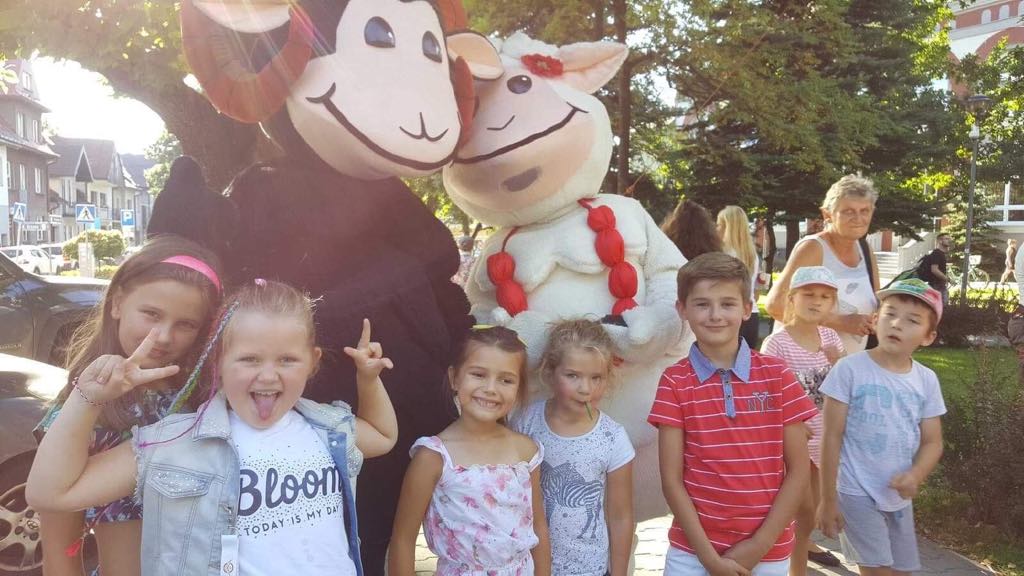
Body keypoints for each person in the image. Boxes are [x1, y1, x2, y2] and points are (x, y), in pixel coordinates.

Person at [27, 280, 399, 576]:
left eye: (287, 359)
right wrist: (87, 399)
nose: (268, 375)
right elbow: (51, 493)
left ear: (312, 362)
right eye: (249, 359)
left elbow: (383, 436)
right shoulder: (174, 444)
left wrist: (368, 381)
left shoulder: (327, 428)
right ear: (219, 361)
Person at [34, 235, 223, 576]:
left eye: (185, 324)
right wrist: (89, 399)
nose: (163, 336)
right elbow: (60, 552)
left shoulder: (208, 403)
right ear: (118, 303)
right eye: (151, 314)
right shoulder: (86, 413)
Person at [649, 252, 818, 576]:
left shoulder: (777, 375)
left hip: (767, 553)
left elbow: (798, 471)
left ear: (746, 308)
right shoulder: (674, 381)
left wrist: (759, 545)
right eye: (702, 304)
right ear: (682, 309)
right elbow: (671, 480)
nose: (715, 315)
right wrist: (709, 558)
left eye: (727, 304)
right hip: (692, 553)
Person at [390, 326, 551, 576]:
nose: (491, 388)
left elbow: (538, 527)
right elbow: (403, 539)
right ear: (454, 378)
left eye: (506, 380)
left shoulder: (526, 451)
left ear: (519, 389)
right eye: (478, 374)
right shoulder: (433, 457)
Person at [818, 279, 945, 576]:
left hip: (897, 496)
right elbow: (831, 437)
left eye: (912, 320)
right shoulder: (849, 370)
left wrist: (916, 475)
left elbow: (933, 442)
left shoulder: (926, 380)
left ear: (928, 336)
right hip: (855, 491)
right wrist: (827, 499)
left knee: (902, 572)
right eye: (890, 314)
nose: (897, 324)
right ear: (875, 320)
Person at [513, 319, 635, 576]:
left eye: (596, 378)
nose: (585, 389)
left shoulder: (613, 438)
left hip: (590, 569)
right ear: (550, 372)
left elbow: (621, 516)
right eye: (572, 376)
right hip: (528, 567)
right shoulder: (525, 423)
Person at [759, 266, 846, 575]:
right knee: (804, 510)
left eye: (825, 296)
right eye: (808, 294)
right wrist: (789, 423)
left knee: (809, 517)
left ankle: (795, 567)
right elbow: (766, 395)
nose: (816, 301)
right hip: (794, 441)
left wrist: (839, 361)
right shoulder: (777, 344)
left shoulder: (831, 338)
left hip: (825, 439)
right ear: (792, 298)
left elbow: (845, 387)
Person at [766, 175, 880, 355]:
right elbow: (776, 305)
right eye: (848, 211)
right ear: (827, 214)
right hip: (799, 364)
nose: (858, 218)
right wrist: (840, 322)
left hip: (844, 366)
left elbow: (878, 304)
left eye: (865, 210)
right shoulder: (813, 248)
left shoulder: (865, 249)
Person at [718, 206, 763, 349]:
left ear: (727, 227)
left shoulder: (723, 254)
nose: (716, 229)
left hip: (729, 315)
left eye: (719, 224)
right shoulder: (752, 254)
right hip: (751, 314)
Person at [917, 233, 952, 305]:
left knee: (941, 305)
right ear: (940, 241)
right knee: (939, 305)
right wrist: (946, 278)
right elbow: (934, 270)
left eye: (949, 239)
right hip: (936, 285)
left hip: (939, 285)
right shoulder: (937, 253)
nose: (949, 240)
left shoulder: (941, 253)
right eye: (946, 239)